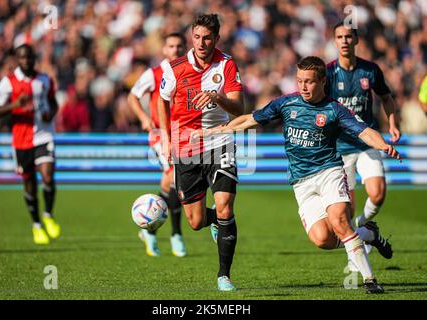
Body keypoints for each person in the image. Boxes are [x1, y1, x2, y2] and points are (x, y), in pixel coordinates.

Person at [192, 56, 401, 294]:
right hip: (301, 181)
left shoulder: (335, 110)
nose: (303, 86)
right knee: (324, 239)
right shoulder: (286, 104)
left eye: (309, 82)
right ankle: (368, 233)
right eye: (300, 81)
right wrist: (218, 130)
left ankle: (369, 279)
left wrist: (384, 146)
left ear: (323, 81)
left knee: (340, 222)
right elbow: (251, 119)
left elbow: (364, 131)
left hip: (329, 172)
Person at [158, 14, 244, 291]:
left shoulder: (227, 65)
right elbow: (163, 100)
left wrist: (217, 97)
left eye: (207, 37)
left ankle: (224, 276)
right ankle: (216, 222)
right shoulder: (174, 68)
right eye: (197, 37)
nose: (201, 42)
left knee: (225, 205)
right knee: (195, 221)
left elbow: (239, 108)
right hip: (186, 147)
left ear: (216, 38)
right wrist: (165, 136)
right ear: (191, 38)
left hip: (219, 143)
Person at [325, 22, 401, 230]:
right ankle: (356, 252)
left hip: (367, 141)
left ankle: (362, 226)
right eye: (339, 37)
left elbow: (386, 98)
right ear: (335, 41)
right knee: (346, 208)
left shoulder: (370, 70)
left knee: (378, 193)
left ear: (356, 40)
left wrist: (392, 123)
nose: (344, 41)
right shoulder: (329, 73)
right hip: (340, 147)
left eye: (348, 37)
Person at [0, 44, 60, 245]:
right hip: (21, 140)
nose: (27, 61)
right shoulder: (8, 83)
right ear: (17, 59)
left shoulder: (44, 80)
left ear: (34, 58)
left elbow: (53, 102)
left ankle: (48, 214)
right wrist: (15, 105)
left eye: (30, 57)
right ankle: (37, 225)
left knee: (47, 175)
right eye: (22, 58)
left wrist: (51, 113)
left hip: (43, 135)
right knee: (29, 183)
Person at [127, 33, 187, 257]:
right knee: (174, 176)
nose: (176, 50)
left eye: (180, 46)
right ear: (164, 49)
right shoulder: (154, 74)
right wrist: (143, 119)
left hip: (183, 135)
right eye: (171, 46)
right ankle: (176, 235)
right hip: (160, 135)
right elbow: (132, 97)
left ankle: (149, 229)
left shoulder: (188, 72)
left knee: (170, 182)